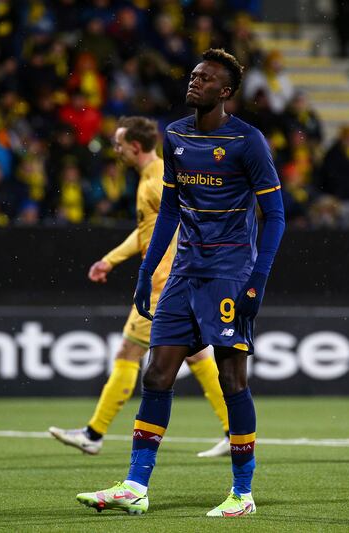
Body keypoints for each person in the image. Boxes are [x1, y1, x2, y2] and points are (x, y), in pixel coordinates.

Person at [75, 49, 285, 517]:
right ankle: (135, 485)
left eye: (206, 78)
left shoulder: (247, 142)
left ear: (225, 92)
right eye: (193, 75)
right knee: (156, 373)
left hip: (229, 274)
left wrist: (257, 281)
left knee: (232, 379)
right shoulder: (175, 135)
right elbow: (170, 210)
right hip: (183, 273)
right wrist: (148, 271)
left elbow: (275, 215)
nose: (195, 82)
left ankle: (243, 493)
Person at [49, 116, 231, 459]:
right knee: (196, 355)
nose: (116, 150)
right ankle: (235, 431)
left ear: (135, 147)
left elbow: (196, 217)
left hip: (164, 287)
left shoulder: (155, 183)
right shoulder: (154, 177)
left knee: (129, 353)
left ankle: (93, 433)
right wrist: (110, 260)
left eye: (119, 144)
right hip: (175, 282)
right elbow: (150, 231)